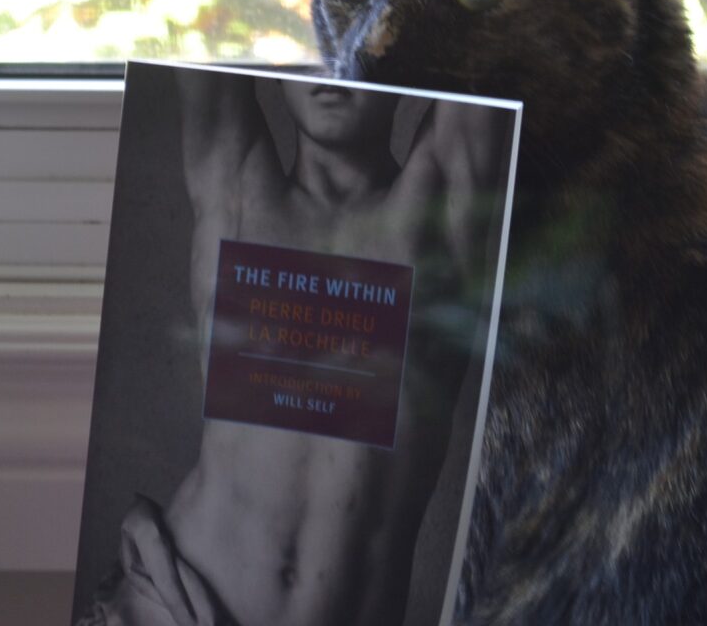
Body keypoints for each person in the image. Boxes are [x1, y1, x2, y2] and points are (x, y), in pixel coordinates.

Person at [78, 69, 507, 626]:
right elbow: (203, 12)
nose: (332, 72)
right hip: (176, 604)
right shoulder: (233, 187)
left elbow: (491, 43)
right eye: (309, 52)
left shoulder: (439, 217)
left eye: (357, 52)